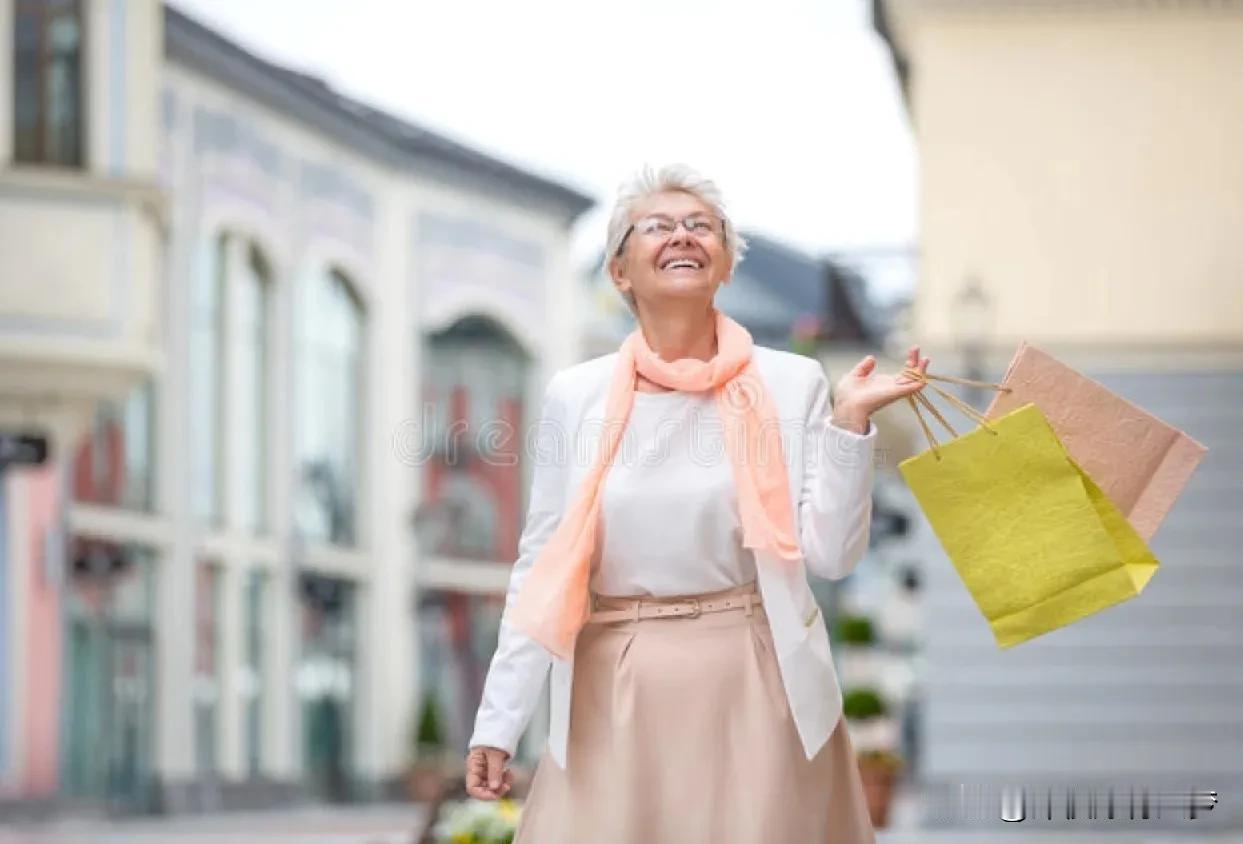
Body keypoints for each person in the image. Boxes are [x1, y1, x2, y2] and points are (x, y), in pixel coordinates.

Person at [463, 164, 930, 842]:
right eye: (656, 225)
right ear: (619, 271)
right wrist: (497, 722)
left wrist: (848, 426)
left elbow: (829, 554)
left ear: (723, 265)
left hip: (754, 676)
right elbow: (541, 567)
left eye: (700, 225)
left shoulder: (791, 381)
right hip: (611, 684)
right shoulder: (576, 395)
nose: (682, 235)